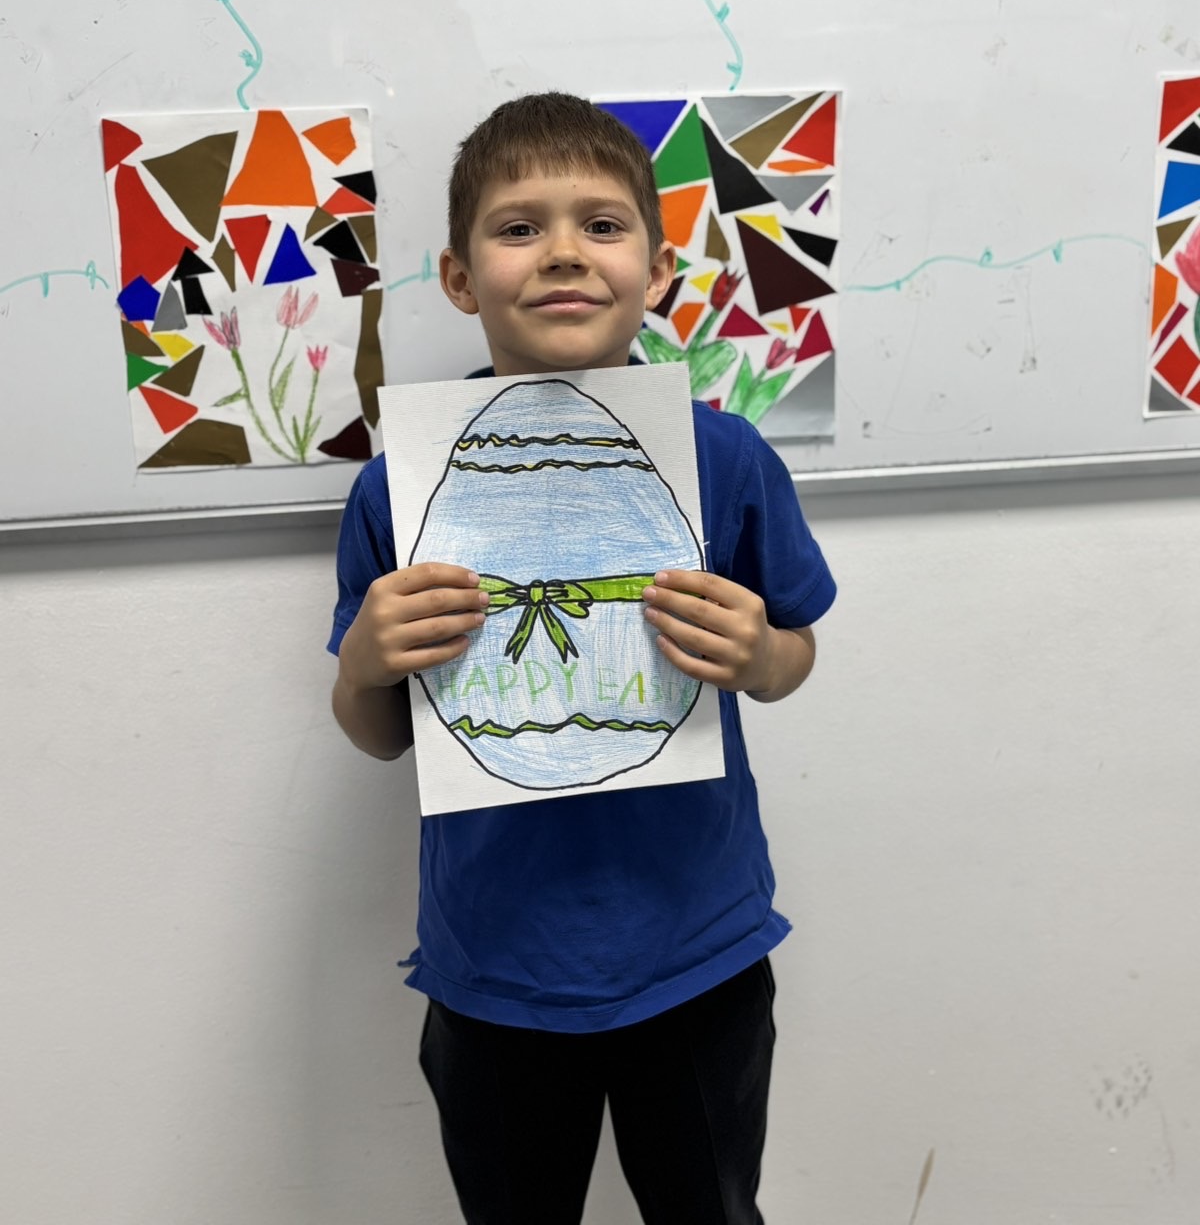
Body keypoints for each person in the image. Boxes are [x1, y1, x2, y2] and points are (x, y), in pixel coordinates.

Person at [329, 92, 836, 1225]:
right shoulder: (397, 485)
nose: (563, 252)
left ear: (657, 270)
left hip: (698, 948)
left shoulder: (726, 456)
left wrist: (761, 653)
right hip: (495, 963)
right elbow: (379, 734)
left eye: (602, 225)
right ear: (460, 278)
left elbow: (796, 653)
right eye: (518, 228)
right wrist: (364, 664)